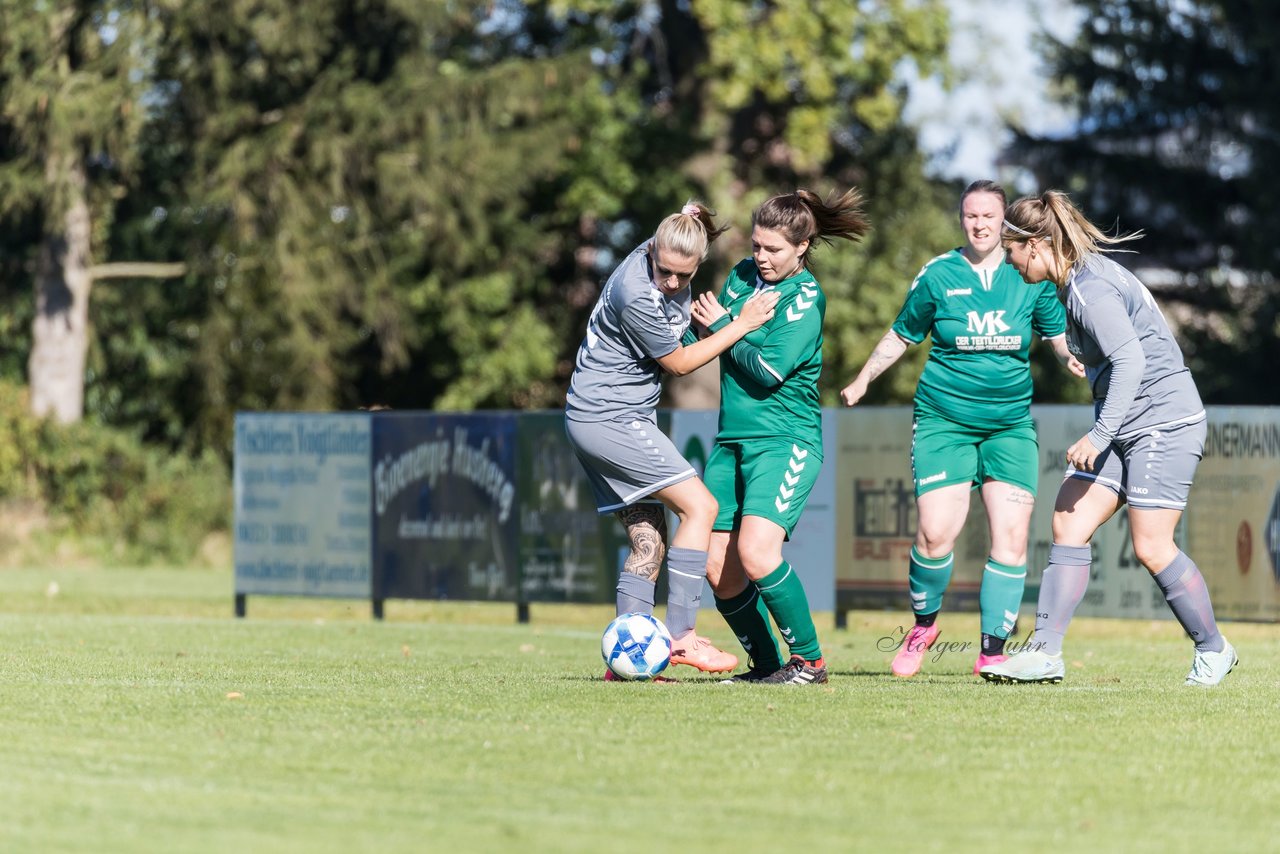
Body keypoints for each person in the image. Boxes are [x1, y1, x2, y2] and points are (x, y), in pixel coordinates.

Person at [980, 190, 1237, 687]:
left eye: (1010, 251)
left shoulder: (1088, 287)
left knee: (1152, 546)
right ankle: (1045, 654)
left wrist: (1099, 434)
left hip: (1163, 422)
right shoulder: (1077, 280)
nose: (1009, 262)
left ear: (1033, 244)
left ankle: (1214, 649)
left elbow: (1133, 361)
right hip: (1127, 422)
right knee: (1068, 519)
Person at [839, 179, 1080, 678]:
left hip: (1010, 427)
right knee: (934, 534)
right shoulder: (938, 275)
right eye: (971, 215)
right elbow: (902, 334)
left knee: (1011, 538)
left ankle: (993, 650)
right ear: (962, 219)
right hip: (943, 422)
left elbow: (1057, 337)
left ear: (1003, 221)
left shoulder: (1027, 274)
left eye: (989, 216)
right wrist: (863, 378)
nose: (979, 224)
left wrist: (1071, 359)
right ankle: (924, 625)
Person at [565, 201, 780, 681]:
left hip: (594, 415)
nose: (671, 283)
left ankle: (628, 664)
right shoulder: (634, 292)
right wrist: (741, 324)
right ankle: (682, 638)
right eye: (665, 271)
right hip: (610, 418)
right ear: (652, 254)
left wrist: (693, 216)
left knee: (650, 542)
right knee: (701, 508)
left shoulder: (661, 244)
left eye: (683, 276)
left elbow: (679, 231)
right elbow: (680, 363)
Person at [692, 188, 870, 685]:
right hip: (732, 440)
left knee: (756, 552)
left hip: (785, 441)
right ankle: (768, 664)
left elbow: (768, 370)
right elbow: (707, 338)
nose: (762, 257)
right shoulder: (742, 278)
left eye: (773, 249)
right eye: (756, 246)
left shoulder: (805, 298)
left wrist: (726, 325)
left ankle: (810, 663)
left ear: (802, 246)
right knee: (717, 567)